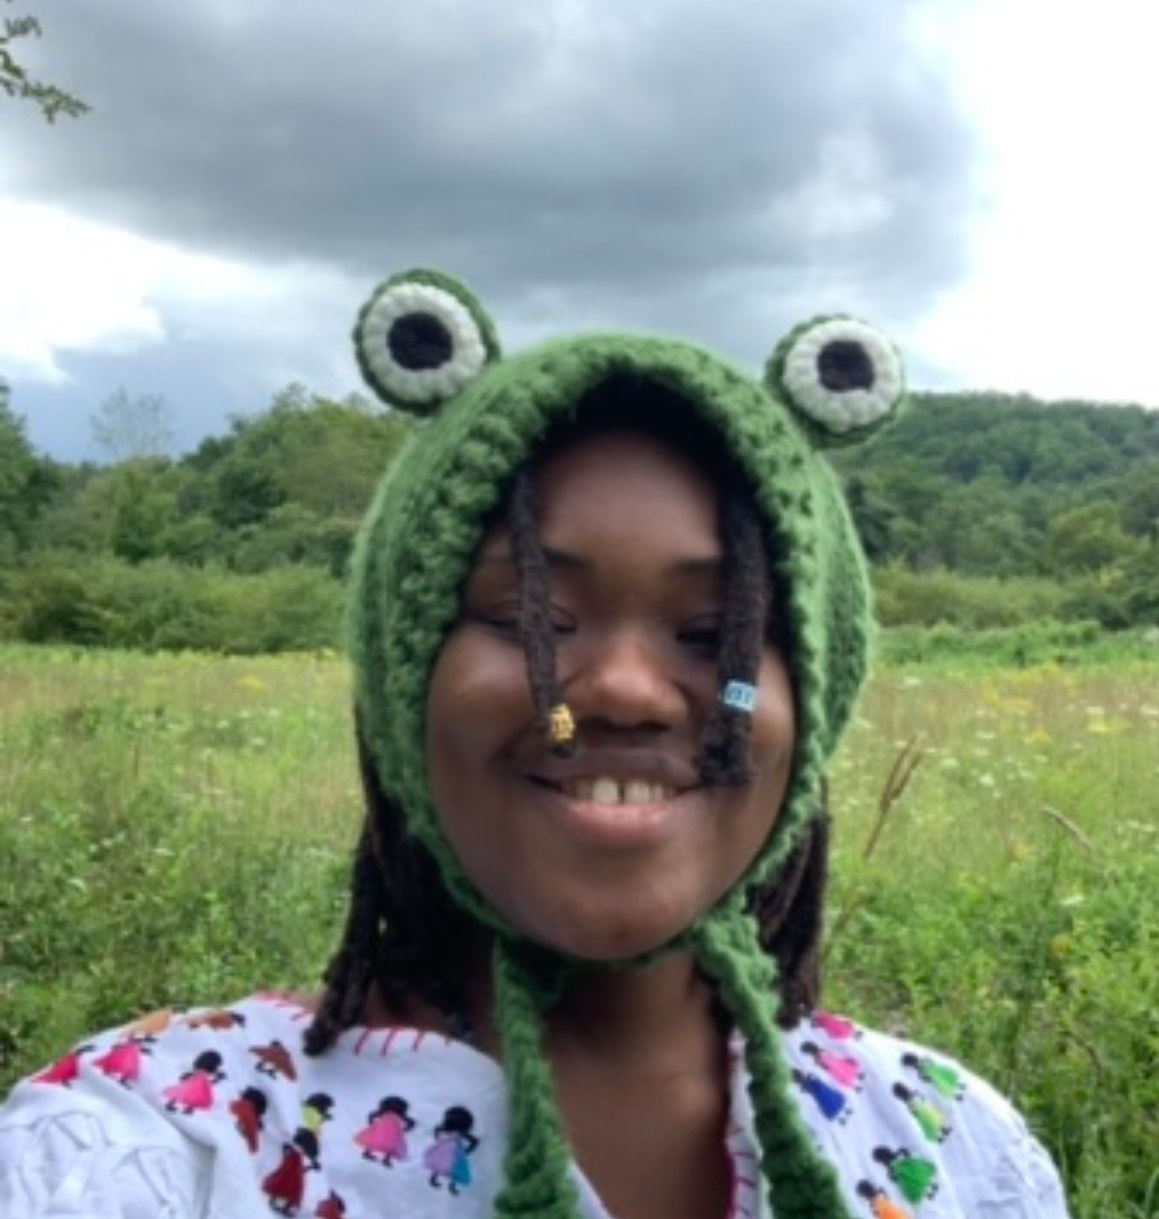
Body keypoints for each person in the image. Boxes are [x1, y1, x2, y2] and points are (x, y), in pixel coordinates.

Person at [0, 269, 1071, 1218]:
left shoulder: (954, 1150)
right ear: (398, 679)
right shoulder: (155, 1149)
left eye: (717, 634)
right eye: (529, 620)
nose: (621, 691)